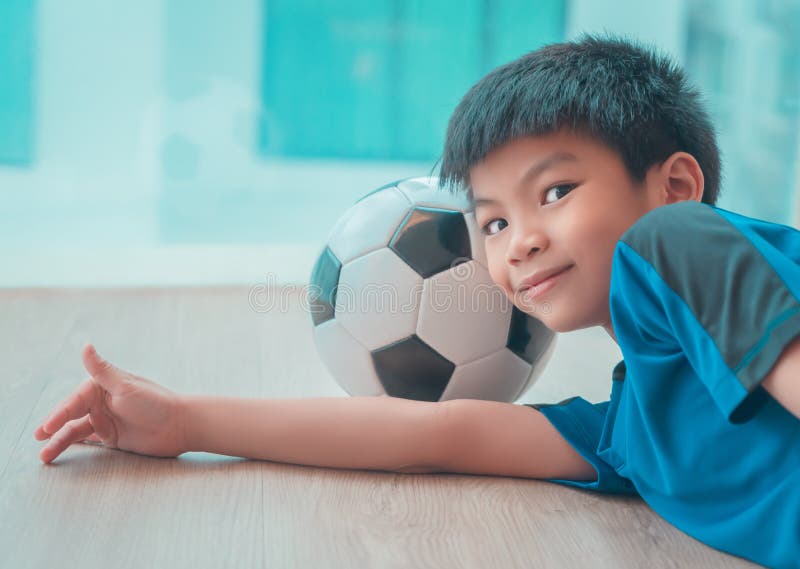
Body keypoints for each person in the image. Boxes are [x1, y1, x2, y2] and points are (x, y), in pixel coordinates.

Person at [34, 33, 800, 568]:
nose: (518, 242)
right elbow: (443, 435)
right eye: (494, 221)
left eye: (556, 191)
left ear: (674, 186)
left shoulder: (679, 239)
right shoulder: (634, 433)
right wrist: (189, 420)